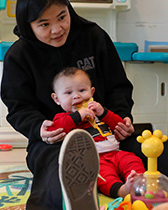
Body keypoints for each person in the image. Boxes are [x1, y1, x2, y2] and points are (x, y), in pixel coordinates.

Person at [0, 0, 168, 210]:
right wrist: (39, 128)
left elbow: (118, 86)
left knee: (158, 153)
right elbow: (18, 107)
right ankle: (80, 209)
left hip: (109, 134)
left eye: (62, 17)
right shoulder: (19, 56)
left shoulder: (93, 36)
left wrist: (122, 118)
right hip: (57, 141)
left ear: (69, 10)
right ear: (28, 24)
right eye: (44, 24)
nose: (56, 29)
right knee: (57, 171)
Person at [48, 67, 145, 198]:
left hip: (116, 153)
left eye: (82, 90)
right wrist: (78, 116)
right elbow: (55, 128)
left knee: (133, 160)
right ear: (57, 99)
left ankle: (136, 181)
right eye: (68, 93)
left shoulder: (98, 112)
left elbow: (118, 125)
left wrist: (104, 112)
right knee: (102, 176)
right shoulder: (62, 118)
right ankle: (121, 190)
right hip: (94, 159)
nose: (76, 96)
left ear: (92, 92)